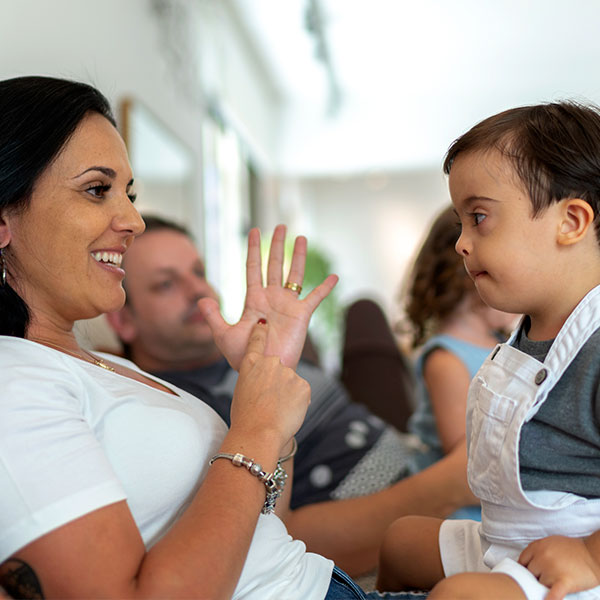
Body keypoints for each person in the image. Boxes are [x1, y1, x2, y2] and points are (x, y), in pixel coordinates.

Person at [0, 74, 399, 600]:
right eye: (97, 189)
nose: (133, 220)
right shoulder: (14, 385)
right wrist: (253, 430)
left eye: (129, 193)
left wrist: (268, 375)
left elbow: (262, 528)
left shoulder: (100, 363)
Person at [105, 214, 478, 576]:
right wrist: (452, 482)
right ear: (123, 321)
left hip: (410, 449)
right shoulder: (178, 413)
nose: (198, 290)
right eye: (165, 284)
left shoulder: (253, 344)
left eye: (198, 272)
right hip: (403, 507)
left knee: (365, 311)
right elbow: (278, 536)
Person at [376, 101, 600, 600]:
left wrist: (588, 555)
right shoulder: (528, 329)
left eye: (479, 218)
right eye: (460, 223)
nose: (461, 243)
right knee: (400, 541)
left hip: (576, 559)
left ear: (571, 222)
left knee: (459, 596)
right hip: (507, 538)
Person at [400, 206, 517, 495]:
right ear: (470, 276)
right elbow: (465, 461)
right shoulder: (445, 360)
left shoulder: (494, 340)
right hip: (464, 506)